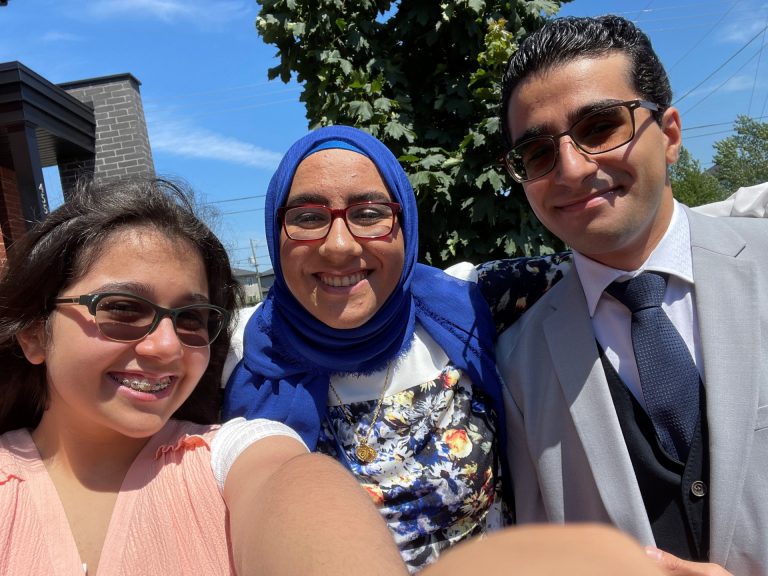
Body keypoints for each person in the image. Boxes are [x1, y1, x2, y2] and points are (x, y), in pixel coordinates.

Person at [0, 177, 408, 576]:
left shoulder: (231, 458)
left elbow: (292, 487)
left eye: (191, 318)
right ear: (34, 333)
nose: (167, 347)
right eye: (123, 309)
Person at [496, 14, 768, 575]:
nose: (570, 168)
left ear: (668, 135)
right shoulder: (520, 364)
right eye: (538, 153)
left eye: (599, 126)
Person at [222, 125, 509, 573]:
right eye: (309, 217)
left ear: (406, 224)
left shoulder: (469, 308)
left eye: (370, 212)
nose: (339, 245)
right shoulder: (231, 359)